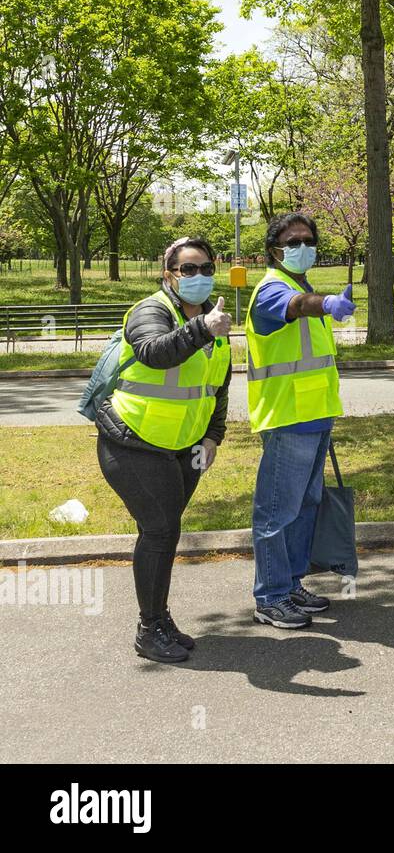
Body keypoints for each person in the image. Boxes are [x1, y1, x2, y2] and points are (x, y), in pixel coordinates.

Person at [96, 236, 232, 663]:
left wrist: (212, 436)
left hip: (183, 445)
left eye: (206, 268)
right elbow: (154, 353)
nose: (199, 276)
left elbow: (217, 387)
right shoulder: (150, 310)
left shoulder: (214, 320)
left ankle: (160, 619)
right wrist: (200, 329)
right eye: (188, 269)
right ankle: (149, 629)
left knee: (164, 529)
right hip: (132, 441)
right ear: (168, 274)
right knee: (159, 529)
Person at [246, 212, 355, 629]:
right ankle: (270, 596)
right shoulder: (274, 289)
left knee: (304, 506)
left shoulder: (297, 283)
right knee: (277, 511)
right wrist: (326, 303)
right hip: (287, 417)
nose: (302, 247)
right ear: (274, 250)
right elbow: (295, 309)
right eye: (293, 242)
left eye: (308, 240)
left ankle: (290, 583)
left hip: (315, 414)